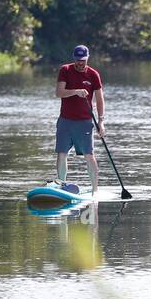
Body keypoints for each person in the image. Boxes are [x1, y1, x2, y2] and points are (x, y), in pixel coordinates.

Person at [55, 44, 105, 194]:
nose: (80, 63)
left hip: (84, 122)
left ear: (87, 58)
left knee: (89, 155)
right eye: (77, 60)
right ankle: (62, 186)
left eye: (83, 60)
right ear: (74, 58)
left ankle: (94, 190)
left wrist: (101, 121)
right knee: (62, 153)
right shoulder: (65, 70)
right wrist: (76, 91)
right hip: (65, 120)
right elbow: (59, 92)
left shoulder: (93, 75)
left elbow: (100, 99)